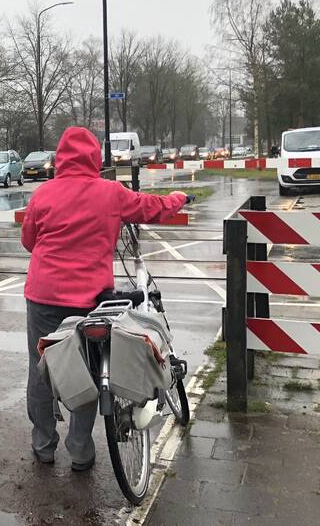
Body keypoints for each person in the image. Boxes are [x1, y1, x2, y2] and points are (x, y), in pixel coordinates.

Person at [21, 127, 188, 471]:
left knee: (41, 370)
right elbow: (152, 209)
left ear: (60, 157)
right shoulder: (111, 193)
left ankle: (43, 445)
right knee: (88, 370)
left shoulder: (43, 194)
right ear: (95, 157)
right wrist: (178, 198)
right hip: (89, 300)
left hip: (43, 296)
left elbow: (29, 240)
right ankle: (80, 450)